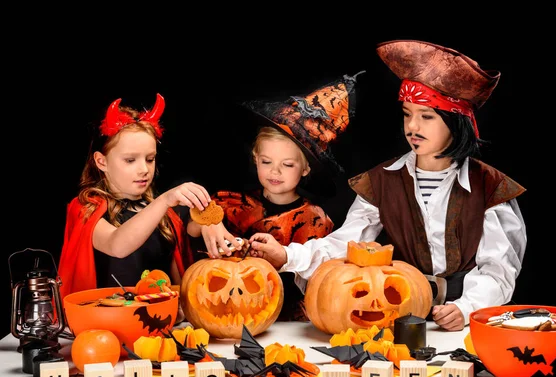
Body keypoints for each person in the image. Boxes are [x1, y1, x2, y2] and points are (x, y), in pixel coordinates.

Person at [246, 40, 527, 331]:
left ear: (456, 121)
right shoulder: (382, 181)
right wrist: (289, 255)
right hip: (399, 311)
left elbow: (499, 270)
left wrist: (465, 307)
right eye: (407, 114)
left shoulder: (490, 187)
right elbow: (346, 244)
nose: (412, 127)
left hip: (467, 319)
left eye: (426, 116)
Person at [187, 74, 361, 321]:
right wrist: (210, 222)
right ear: (255, 159)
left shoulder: (314, 220)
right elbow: (191, 229)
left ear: (305, 169)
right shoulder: (232, 203)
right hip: (227, 310)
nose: (275, 172)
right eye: (266, 162)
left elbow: (322, 279)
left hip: (289, 319)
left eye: (287, 165)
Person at [57, 93, 211, 301]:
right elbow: (117, 245)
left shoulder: (160, 213)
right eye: (130, 160)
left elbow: (176, 273)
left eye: (150, 159)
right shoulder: (86, 208)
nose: (144, 169)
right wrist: (164, 200)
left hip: (161, 321)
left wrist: (211, 223)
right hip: (110, 324)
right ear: (101, 162)